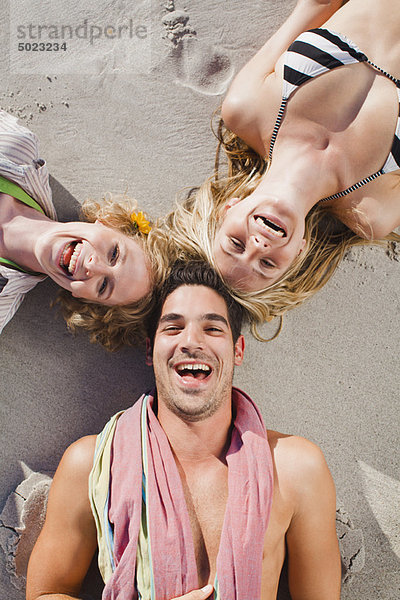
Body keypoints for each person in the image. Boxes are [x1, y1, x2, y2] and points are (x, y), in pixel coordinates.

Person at [26, 261, 341, 600]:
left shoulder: (296, 469)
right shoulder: (90, 465)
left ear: (238, 350)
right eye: (173, 328)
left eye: (213, 329)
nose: (191, 341)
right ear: (150, 350)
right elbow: (46, 593)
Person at [162, 0, 400, 332]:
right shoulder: (373, 209)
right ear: (298, 252)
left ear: (228, 210)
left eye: (236, 244)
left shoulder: (246, 110)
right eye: (268, 264)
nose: (258, 245)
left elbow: (316, 5)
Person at [0, 109, 170, 349]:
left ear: (83, 297)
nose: (91, 265)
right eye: (114, 253)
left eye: (103, 286)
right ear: (108, 222)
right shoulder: (16, 149)